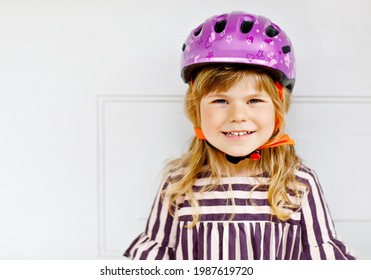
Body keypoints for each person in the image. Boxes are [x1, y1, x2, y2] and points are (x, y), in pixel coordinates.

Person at [124, 11, 355, 260]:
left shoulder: (297, 184)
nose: (237, 115)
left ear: (278, 108)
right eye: (221, 100)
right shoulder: (179, 185)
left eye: (254, 100)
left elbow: (325, 263)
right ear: (195, 109)